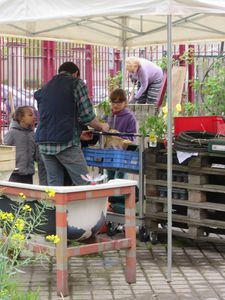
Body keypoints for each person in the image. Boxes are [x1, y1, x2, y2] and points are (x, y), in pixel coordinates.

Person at [34, 61, 109, 186]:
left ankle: (55, 206)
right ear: (75, 74)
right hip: (65, 143)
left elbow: (54, 117)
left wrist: (78, 132)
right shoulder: (76, 83)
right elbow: (87, 117)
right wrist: (102, 126)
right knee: (85, 183)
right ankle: (88, 206)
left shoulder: (45, 88)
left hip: (44, 143)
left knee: (54, 187)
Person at [105, 88, 137, 180]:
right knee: (109, 176)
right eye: (113, 103)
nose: (115, 105)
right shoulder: (108, 115)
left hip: (123, 153)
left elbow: (132, 137)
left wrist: (119, 135)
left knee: (121, 177)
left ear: (125, 103)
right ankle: (111, 194)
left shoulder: (130, 117)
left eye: (119, 103)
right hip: (109, 152)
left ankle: (122, 194)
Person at [3, 106, 37, 184]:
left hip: (29, 174)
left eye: (34, 115)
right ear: (21, 118)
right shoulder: (12, 133)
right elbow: (5, 152)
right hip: (14, 174)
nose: (34, 117)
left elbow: (36, 156)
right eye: (30, 115)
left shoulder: (33, 134)